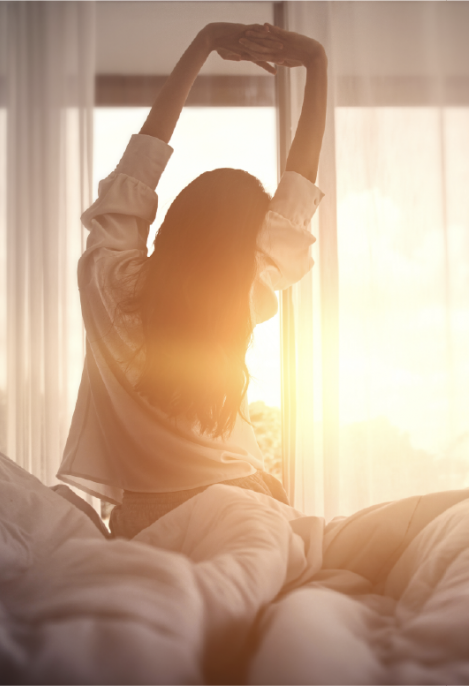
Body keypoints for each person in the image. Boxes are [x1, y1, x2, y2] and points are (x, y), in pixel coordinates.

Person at [56, 22, 328, 538]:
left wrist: (203, 44)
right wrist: (316, 62)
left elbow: (139, 165)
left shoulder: (105, 278)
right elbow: (298, 188)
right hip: (245, 501)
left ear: (173, 222)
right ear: (246, 245)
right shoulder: (243, 292)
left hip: (143, 517)